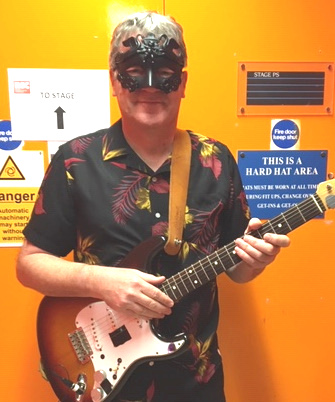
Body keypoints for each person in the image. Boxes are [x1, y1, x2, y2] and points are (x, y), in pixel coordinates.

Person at [16, 11, 290, 402]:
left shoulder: (216, 160)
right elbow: (29, 264)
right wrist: (104, 282)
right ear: (114, 81)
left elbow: (239, 271)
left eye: (164, 72)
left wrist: (255, 260)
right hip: (103, 376)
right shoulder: (74, 160)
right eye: (132, 71)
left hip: (196, 380)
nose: (149, 87)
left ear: (182, 84)